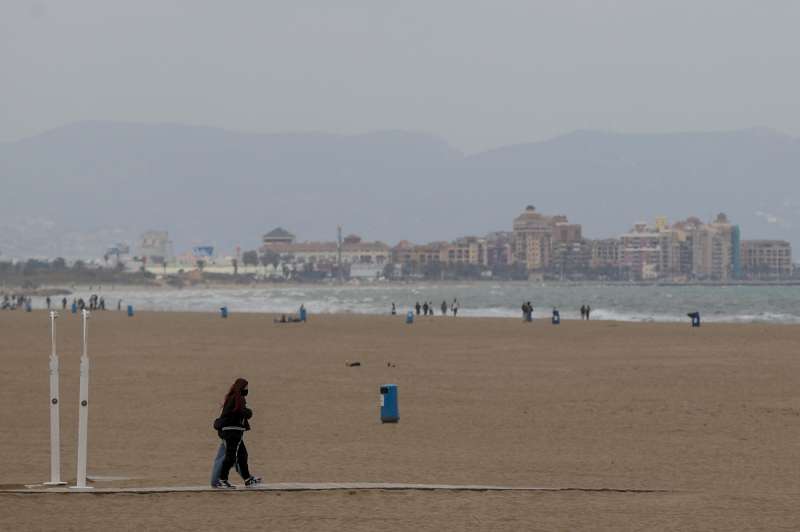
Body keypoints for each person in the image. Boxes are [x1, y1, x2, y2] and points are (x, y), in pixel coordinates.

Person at [212, 378, 261, 488]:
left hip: (234, 432)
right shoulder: (238, 398)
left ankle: (248, 479)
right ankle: (222, 479)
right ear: (241, 388)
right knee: (231, 457)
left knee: (242, 455)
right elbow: (242, 412)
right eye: (246, 388)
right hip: (232, 432)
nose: (247, 390)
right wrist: (249, 412)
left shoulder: (233, 398)